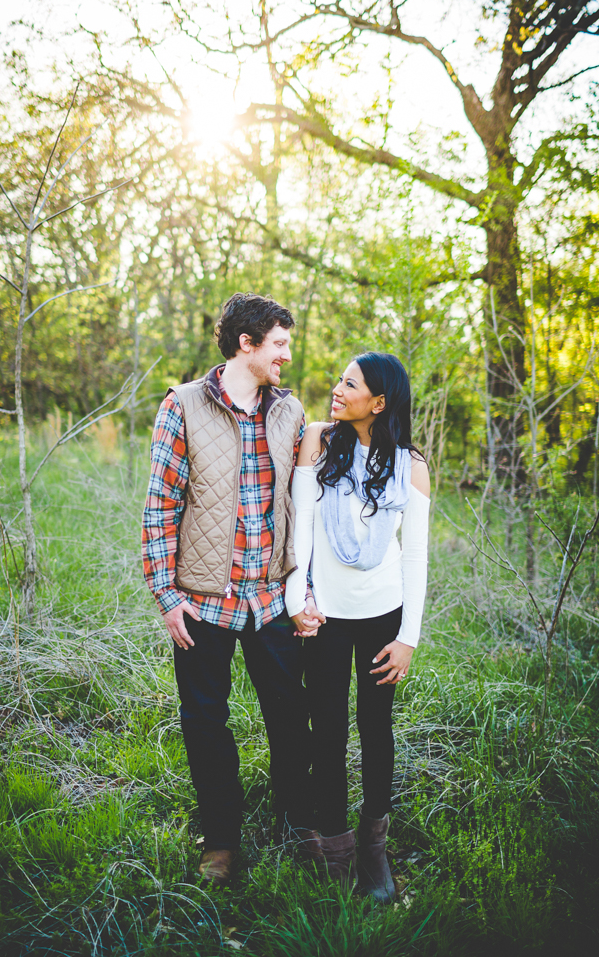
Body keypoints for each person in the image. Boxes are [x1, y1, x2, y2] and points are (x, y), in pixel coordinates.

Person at [142, 292, 316, 887]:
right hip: (203, 604)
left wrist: (303, 592)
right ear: (247, 344)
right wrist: (168, 596)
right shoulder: (182, 406)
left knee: (291, 720)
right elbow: (161, 505)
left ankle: (296, 827)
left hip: (271, 600)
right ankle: (221, 841)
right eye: (279, 343)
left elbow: (303, 510)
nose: (287, 355)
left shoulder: (290, 413)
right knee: (205, 723)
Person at [285, 352, 430, 902]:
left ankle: (375, 850)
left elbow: (414, 557)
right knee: (328, 727)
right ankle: (335, 846)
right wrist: (300, 600)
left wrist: (407, 637)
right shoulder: (318, 441)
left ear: (380, 401)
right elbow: (300, 530)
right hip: (324, 616)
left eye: (350, 384)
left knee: (375, 728)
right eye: (340, 379)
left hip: (383, 617)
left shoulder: (410, 465)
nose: (337, 389)